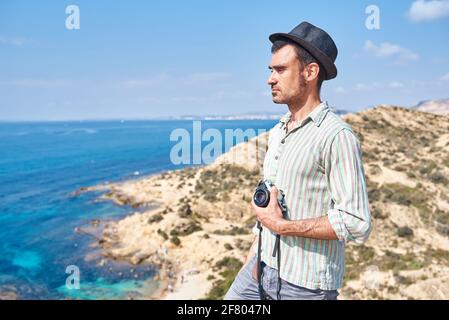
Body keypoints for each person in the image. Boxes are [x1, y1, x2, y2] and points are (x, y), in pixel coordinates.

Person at [224, 21, 372, 300]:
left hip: (304, 288)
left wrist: (284, 227)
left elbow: (356, 221)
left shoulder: (336, 136)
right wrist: (250, 263)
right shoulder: (279, 130)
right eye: (270, 70)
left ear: (310, 72)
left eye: (280, 70)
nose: (270, 79)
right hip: (259, 270)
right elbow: (269, 212)